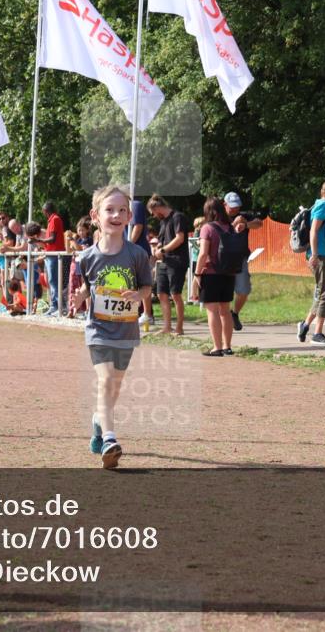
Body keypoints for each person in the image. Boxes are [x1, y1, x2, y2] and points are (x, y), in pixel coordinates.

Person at [73, 185, 153, 469]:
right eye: (109, 210)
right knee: (106, 381)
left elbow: (147, 287)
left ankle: (99, 421)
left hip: (126, 331)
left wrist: (139, 295)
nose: (116, 215)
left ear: (129, 216)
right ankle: (110, 439)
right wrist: (80, 297)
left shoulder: (137, 255)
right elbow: (87, 286)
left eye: (122, 210)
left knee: (114, 386)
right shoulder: (87, 257)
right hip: (98, 330)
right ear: (96, 216)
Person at [299, 179, 325, 346]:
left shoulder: (322, 205)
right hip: (320, 256)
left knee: (322, 293)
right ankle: (317, 334)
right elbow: (314, 230)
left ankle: (305, 325)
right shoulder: (323, 205)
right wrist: (315, 255)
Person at [193, 196, 236, 356]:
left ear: (208, 211)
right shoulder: (230, 227)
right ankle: (227, 346)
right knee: (225, 311)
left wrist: (197, 274)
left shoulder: (207, 228)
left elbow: (203, 253)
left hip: (211, 273)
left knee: (212, 311)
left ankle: (217, 347)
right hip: (229, 273)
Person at [147, 194, 192, 336]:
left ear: (157, 208)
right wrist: (158, 248)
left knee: (175, 294)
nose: (154, 216)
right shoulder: (163, 222)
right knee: (161, 293)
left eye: (153, 212)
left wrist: (163, 250)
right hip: (164, 262)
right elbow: (162, 241)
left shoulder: (178, 217)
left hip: (177, 261)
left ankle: (179, 328)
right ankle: (167, 327)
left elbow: (180, 238)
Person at [223, 192, 263, 331]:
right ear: (224, 204)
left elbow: (259, 223)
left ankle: (234, 314)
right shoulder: (219, 217)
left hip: (241, 259)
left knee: (244, 289)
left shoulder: (243, 216)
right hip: (222, 260)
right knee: (223, 292)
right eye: (232, 207)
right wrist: (234, 224)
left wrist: (245, 224)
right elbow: (219, 233)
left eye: (237, 206)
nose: (235, 209)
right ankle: (224, 318)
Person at [28, 201, 66, 316]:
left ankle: (58, 306)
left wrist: (38, 240)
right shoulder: (52, 220)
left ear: (45, 211)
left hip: (54, 254)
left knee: (54, 281)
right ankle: (55, 305)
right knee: (52, 281)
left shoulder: (55, 219)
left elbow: (53, 239)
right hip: (51, 254)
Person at [129, 197, 154, 329]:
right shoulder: (122, 207)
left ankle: (147, 314)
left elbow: (138, 226)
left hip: (139, 249)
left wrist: (128, 245)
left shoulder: (135, 204)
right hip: (130, 249)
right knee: (132, 283)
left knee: (143, 283)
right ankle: (138, 313)